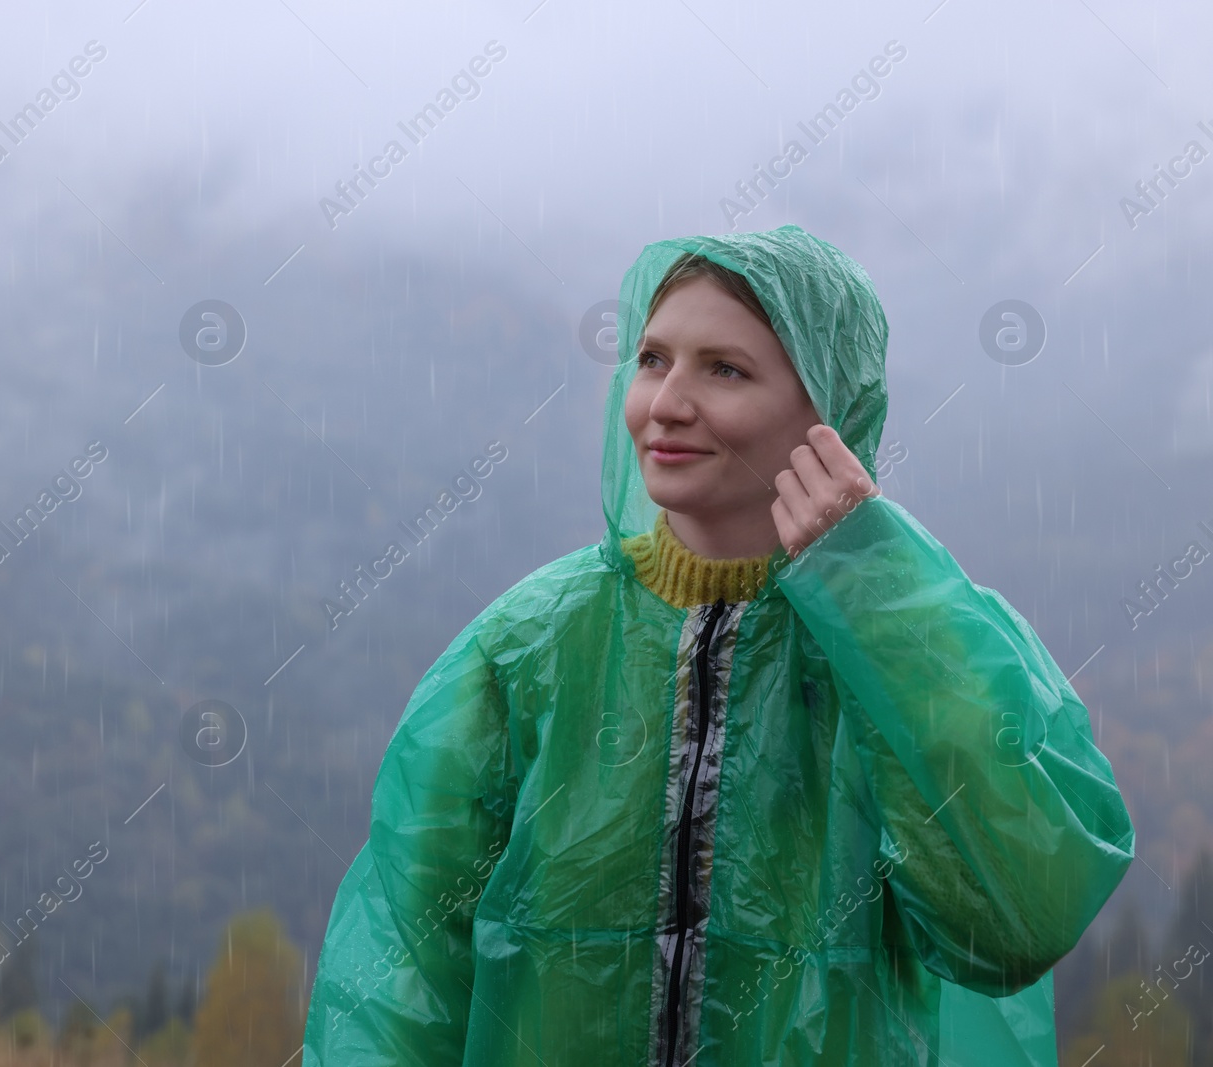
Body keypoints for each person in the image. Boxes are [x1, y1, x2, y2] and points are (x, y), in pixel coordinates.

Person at [299, 224, 1133, 1065]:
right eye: (653, 359)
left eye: (724, 369)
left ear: (829, 411)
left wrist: (874, 599)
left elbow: (1015, 920)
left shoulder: (920, 637)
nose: (665, 402)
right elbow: (404, 978)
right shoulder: (526, 647)